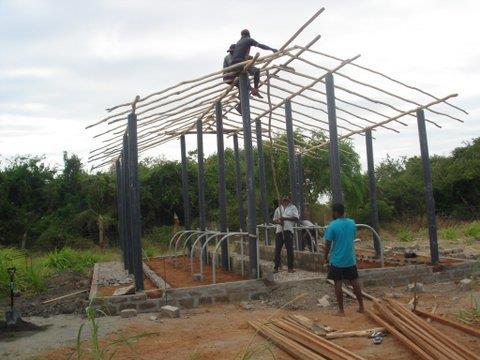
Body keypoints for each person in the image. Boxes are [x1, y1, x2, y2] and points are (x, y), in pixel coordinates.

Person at [324, 203, 364, 316]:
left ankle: (341, 311)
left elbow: (327, 244)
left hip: (337, 260)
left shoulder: (332, 226)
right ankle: (361, 306)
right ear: (343, 211)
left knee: (338, 284)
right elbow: (352, 236)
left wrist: (325, 256)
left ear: (335, 212)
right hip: (350, 259)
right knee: (355, 281)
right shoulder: (352, 223)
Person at [232, 29, 277, 98]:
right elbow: (261, 46)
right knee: (256, 71)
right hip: (240, 62)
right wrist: (272, 49)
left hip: (234, 65)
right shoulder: (248, 39)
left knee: (246, 75)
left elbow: (240, 54)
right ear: (248, 34)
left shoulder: (238, 42)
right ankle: (255, 89)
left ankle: (246, 92)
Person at [272, 195, 299, 273]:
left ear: (289, 200)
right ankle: (276, 267)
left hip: (288, 230)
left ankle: (290, 267)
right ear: (282, 200)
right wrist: (280, 222)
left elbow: (296, 218)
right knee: (277, 249)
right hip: (279, 231)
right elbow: (274, 219)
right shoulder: (278, 209)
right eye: (284, 198)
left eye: (287, 198)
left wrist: (285, 219)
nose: (285, 199)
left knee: (289, 250)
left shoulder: (293, 208)